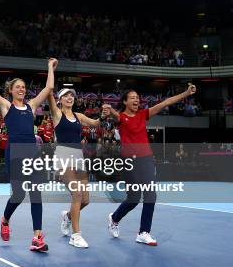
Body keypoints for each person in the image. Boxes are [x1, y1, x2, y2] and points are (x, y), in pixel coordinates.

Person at [0, 56, 57, 252]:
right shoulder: (6, 106)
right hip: (15, 154)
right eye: (18, 87)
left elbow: (48, 88)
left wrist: (49, 67)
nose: (22, 89)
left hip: (32, 154)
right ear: (10, 90)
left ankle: (37, 237)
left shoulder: (32, 106)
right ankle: (5, 219)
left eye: (24, 87)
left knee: (36, 194)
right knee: (19, 194)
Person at [104, 84, 197, 246]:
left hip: (146, 159)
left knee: (150, 196)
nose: (136, 100)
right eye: (132, 98)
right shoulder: (121, 118)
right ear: (125, 102)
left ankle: (143, 232)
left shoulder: (143, 114)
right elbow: (113, 114)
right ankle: (114, 218)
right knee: (133, 199)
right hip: (129, 162)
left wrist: (186, 93)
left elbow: (166, 102)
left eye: (137, 98)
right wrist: (108, 109)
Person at [48, 87, 105, 248]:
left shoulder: (79, 116)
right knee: (77, 194)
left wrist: (103, 115)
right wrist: (51, 69)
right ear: (59, 99)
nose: (69, 97)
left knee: (85, 200)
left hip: (78, 159)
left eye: (72, 95)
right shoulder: (57, 114)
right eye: (65, 95)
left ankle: (67, 216)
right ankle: (76, 235)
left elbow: (95, 124)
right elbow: (49, 92)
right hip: (63, 158)